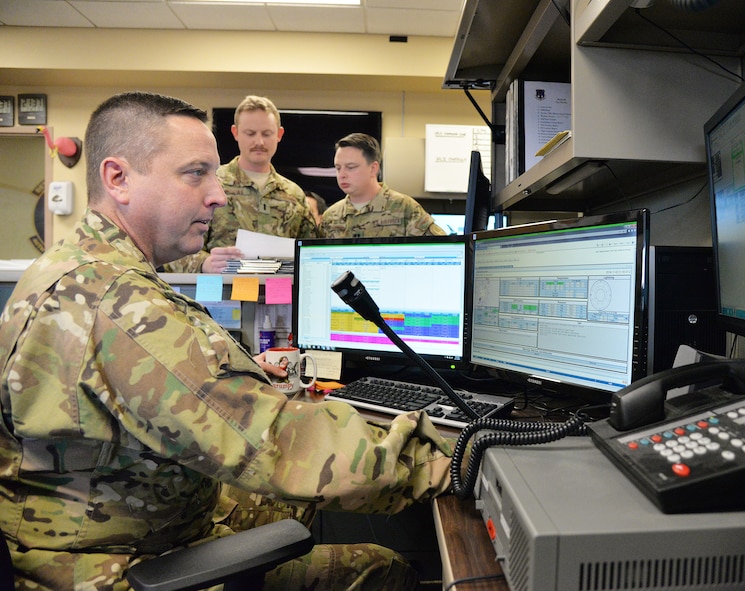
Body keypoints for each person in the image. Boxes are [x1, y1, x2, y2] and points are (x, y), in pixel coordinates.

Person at [0, 91, 455, 591]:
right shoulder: (121, 303)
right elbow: (282, 446)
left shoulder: (73, 265)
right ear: (118, 178)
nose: (217, 195)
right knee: (381, 568)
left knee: (288, 504)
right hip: (120, 564)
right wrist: (453, 457)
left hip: (112, 517)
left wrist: (238, 372)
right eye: (195, 174)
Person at [163, 95, 321, 273]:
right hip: (220, 289)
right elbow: (171, 249)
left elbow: (312, 256)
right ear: (235, 132)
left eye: (266, 134)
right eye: (250, 133)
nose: (259, 142)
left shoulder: (294, 195)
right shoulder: (208, 184)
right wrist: (204, 263)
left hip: (278, 290)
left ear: (279, 134)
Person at [321, 133, 447, 238]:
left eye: (351, 167)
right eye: (338, 168)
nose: (342, 175)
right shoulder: (330, 217)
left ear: (373, 168)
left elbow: (443, 250)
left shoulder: (404, 208)